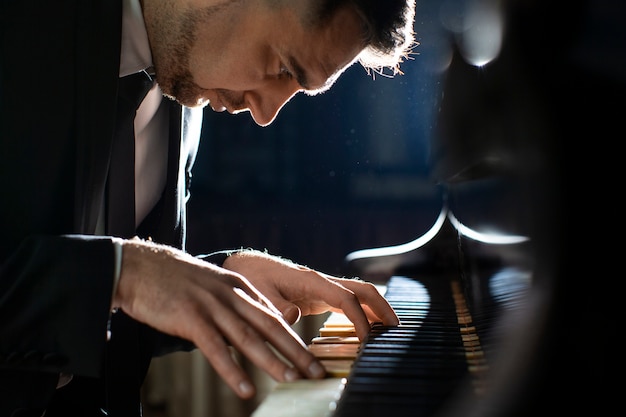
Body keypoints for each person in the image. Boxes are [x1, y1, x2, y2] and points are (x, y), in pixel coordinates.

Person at [0, 0, 416, 415]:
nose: (266, 115)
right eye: (284, 68)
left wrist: (221, 277)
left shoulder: (188, 79)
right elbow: (106, 272)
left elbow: (83, 301)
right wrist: (122, 273)